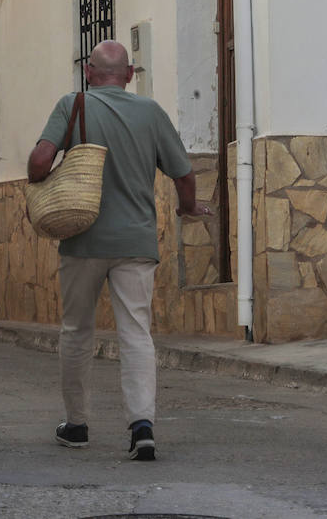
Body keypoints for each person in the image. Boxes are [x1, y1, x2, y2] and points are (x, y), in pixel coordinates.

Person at [27, 40, 211, 461]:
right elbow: (183, 176)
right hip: (136, 243)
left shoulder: (72, 105)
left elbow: (40, 161)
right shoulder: (151, 112)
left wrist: (45, 172)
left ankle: (76, 425)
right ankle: (141, 427)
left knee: (77, 331)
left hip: (82, 240)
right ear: (129, 76)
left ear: (89, 73)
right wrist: (186, 208)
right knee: (136, 333)